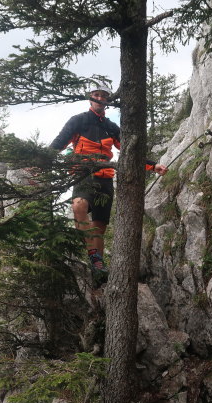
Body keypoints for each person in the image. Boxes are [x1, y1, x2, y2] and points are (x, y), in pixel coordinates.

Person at [50, 84, 168, 283]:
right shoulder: (78, 121)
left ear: (107, 100)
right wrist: (40, 161)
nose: (99, 98)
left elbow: (130, 152)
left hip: (105, 179)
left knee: (99, 228)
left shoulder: (111, 127)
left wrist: (153, 165)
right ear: (90, 98)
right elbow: (59, 143)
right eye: (96, 95)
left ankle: (99, 271)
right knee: (78, 205)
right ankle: (93, 256)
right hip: (84, 174)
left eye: (103, 96)